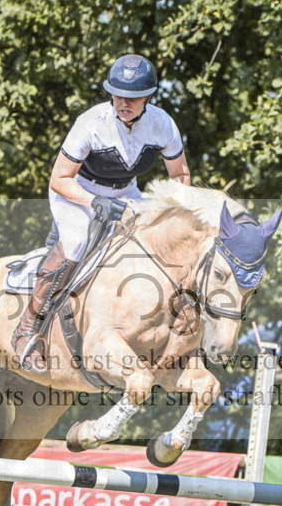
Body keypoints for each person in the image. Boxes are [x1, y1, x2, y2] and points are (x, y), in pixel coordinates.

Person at [12, 54, 192, 373]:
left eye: (133, 97)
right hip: (77, 191)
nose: (124, 102)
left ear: (147, 97)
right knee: (78, 242)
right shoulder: (92, 123)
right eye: (118, 94)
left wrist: (172, 207)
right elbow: (59, 178)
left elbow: (180, 176)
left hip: (126, 192)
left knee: (156, 243)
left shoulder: (162, 124)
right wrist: (95, 202)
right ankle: (28, 330)